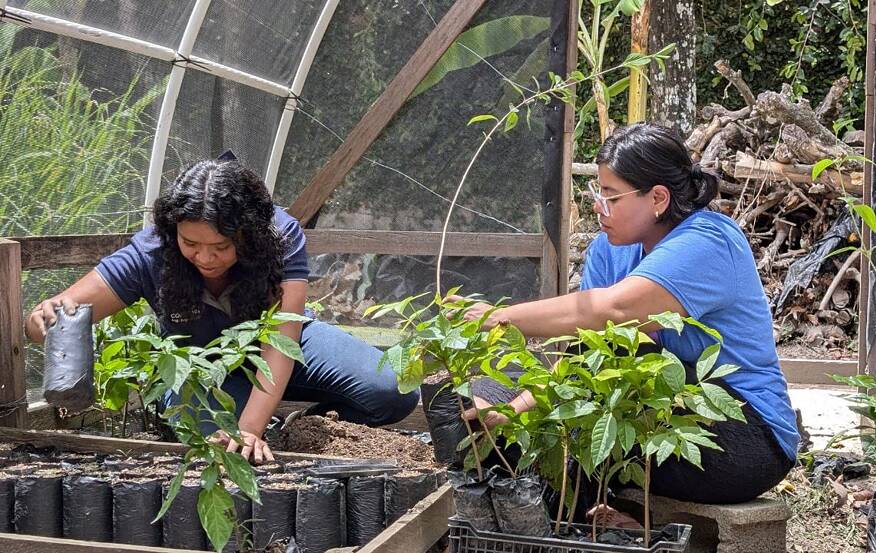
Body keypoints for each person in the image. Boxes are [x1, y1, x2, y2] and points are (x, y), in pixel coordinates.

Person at [459, 123, 798, 518]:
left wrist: (501, 318)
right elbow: (584, 358)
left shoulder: (708, 241)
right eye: (597, 193)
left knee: (615, 345)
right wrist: (516, 403)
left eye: (611, 196)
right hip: (657, 416)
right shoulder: (610, 247)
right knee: (493, 384)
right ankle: (538, 528)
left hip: (746, 441)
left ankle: (573, 532)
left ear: (657, 198)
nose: (598, 208)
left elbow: (611, 316)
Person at [24, 156, 419, 463]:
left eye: (221, 247)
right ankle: (270, 427)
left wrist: (250, 429)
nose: (205, 258)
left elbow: (281, 343)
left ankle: (304, 427)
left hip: (288, 347)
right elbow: (58, 313)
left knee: (392, 390)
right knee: (213, 443)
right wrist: (43, 320)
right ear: (172, 229)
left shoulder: (281, 236)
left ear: (248, 233)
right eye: (190, 243)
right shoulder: (150, 253)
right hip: (203, 369)